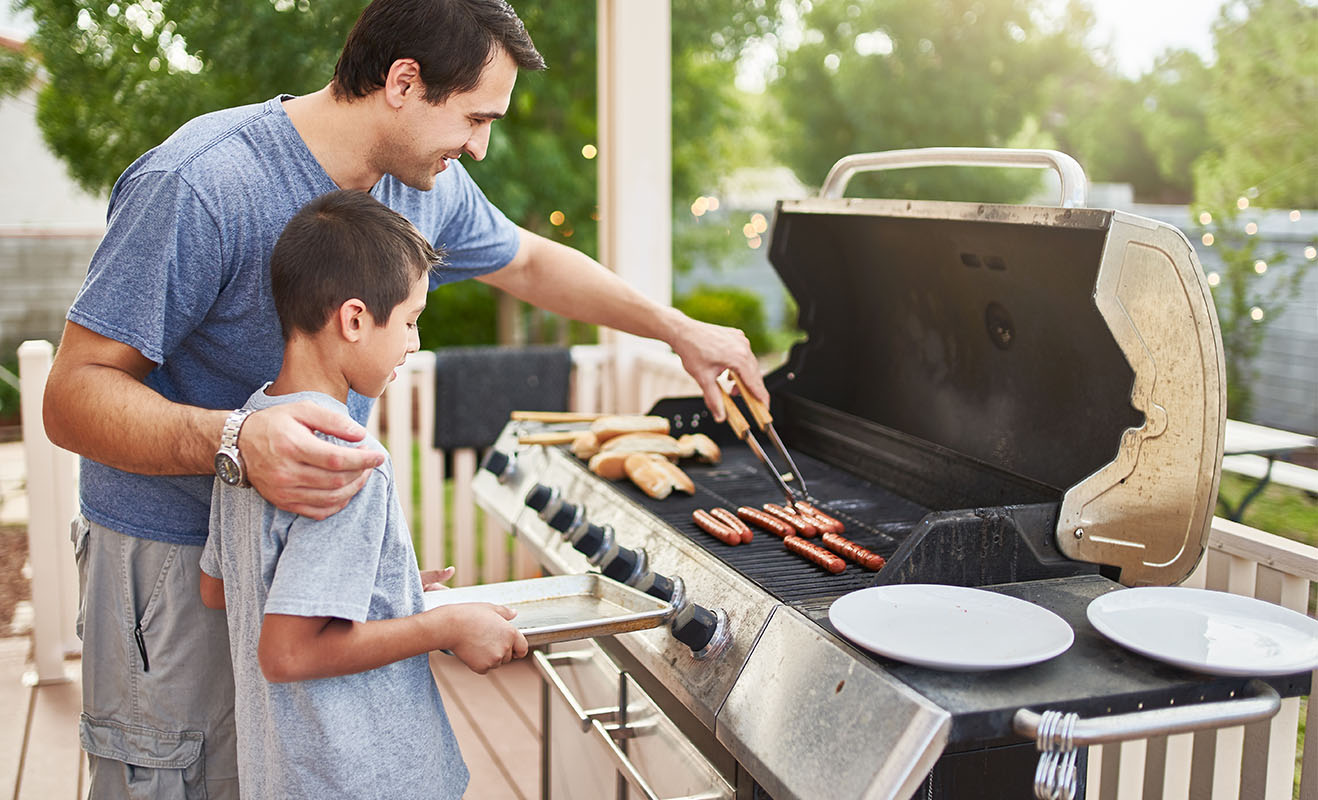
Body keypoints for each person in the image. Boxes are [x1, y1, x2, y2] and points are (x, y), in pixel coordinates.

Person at [41, 0, 768, 796]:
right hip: (171, 563)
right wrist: (239, 441)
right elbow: (72, 397)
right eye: (475, 117)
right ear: (403, 81)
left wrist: (675, 329)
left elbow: (526, 264)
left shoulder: (422, 187)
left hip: (295, 573)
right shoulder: (204, 182)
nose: (481, 146)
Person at [199, 188, 526, 799]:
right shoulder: (347, 457)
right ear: (353, 319)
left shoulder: (252, 429)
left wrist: (382, 584)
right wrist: (445, 626)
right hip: (362, 778)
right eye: (409, 320)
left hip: (281, 774)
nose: (413, 343)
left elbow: (220, 586)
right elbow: (288, 653)